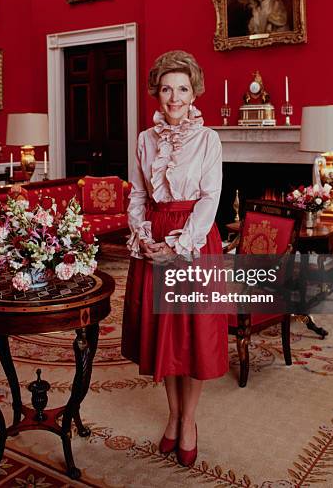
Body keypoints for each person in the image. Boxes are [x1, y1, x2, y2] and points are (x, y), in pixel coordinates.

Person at [122, 50, 228, 467]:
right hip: (155, 238)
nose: (175, 97)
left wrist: (180, 245)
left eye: (182, 88)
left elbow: (210, 197)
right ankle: (172, 415)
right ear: (156, 92)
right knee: (163, 335)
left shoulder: (209, 139)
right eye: (167, 88)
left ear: (194, 92)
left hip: (194, 242)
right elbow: (137, 193)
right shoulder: (145, 140)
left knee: (194, 335)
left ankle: (190, 420)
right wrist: (144, 234)